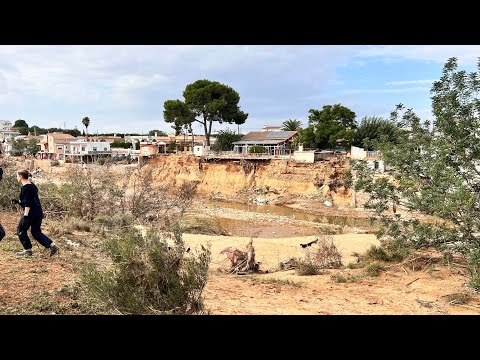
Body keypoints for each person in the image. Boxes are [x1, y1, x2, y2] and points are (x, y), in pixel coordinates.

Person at [11, 169, 59, 257]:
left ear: (21, 176)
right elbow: (29, 200)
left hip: (30, 212)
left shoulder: (25, 188)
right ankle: (52, 245)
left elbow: (28, 204)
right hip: (38, 211)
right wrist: (18, 201)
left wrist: (25, 216)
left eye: (17, 176)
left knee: (20, 230)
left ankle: (27, 250)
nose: (16, 177)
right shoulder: (32, 186)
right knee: (36, 231)